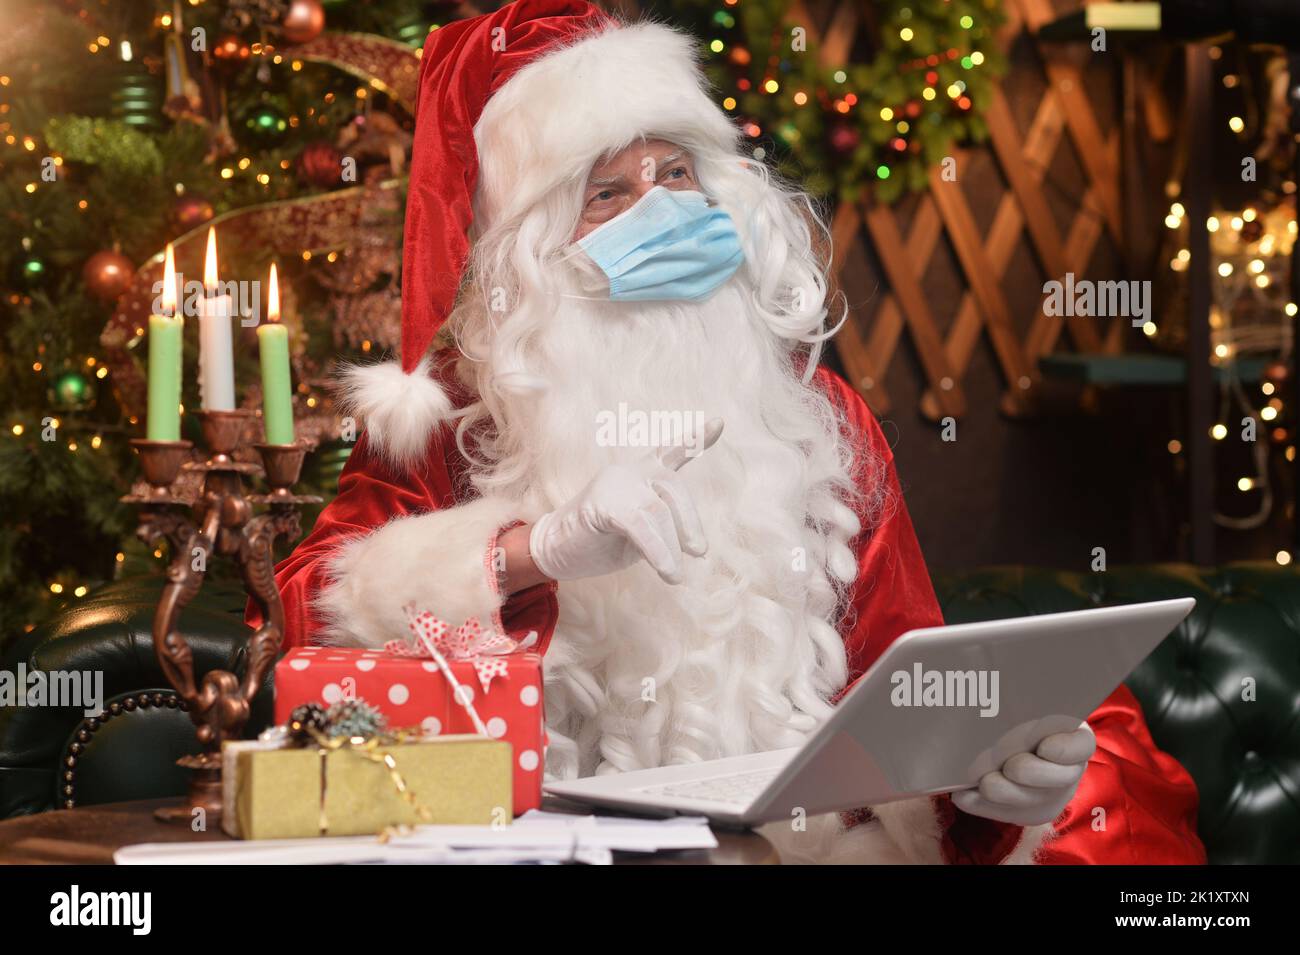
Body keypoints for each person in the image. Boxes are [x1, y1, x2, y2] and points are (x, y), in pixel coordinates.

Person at [255, 0, 1205, 864]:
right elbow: (304, 618)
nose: (662, 208)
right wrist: (528, 552)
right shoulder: (457, 415)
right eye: (607, 192)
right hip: (546, 838)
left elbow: (897, 676)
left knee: (1104, 769)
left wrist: (992, 797)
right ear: (532, 249)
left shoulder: (814, 414)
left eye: (676, 171)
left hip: (806, 847)